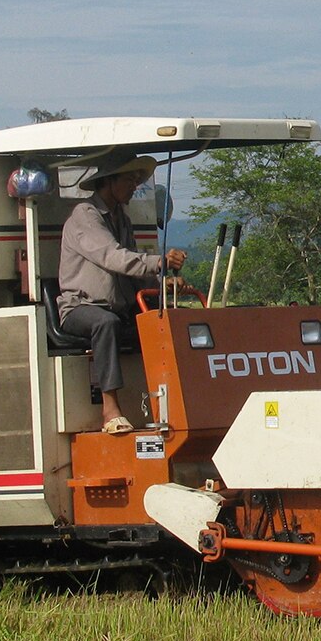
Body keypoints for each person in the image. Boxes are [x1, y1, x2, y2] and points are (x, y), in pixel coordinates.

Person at [57, 155, 187, 434]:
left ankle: (172, 403)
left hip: (116, 306)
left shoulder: (122, 219)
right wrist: (158, 262)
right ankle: (110, 410)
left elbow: (132, 272)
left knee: (163, 319)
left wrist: (162, 284)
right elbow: (113, 258)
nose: (134, 186)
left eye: (137, 180)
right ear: (109, 181)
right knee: (106, 323)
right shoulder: (85, 216)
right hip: (80, 306)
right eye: (129, 179)